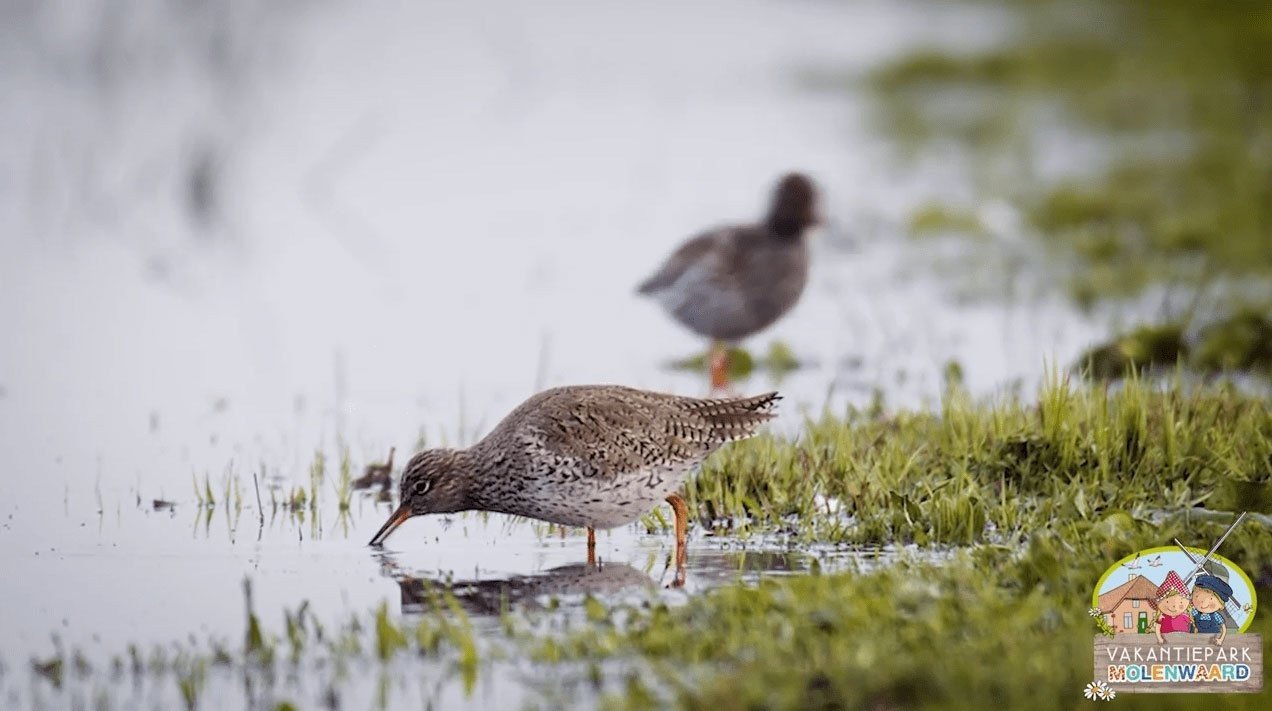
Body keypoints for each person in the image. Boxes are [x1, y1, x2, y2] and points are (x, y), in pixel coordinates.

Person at [1190, 574, 1232, 645]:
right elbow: (1190, 618)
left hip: (1212, 641)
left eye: (1211, 599)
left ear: (1220, 604)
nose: (1203, 602)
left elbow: (1223, 628)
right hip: (1197, 640)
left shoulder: (1216, 616)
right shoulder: (1195, 612)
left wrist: (1220, 639)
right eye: (1197, 596)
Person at [1152, 571, 1192, 643]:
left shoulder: (1185, 617)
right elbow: (1157, 628)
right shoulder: (1162, 617)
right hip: (1167, 641)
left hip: (1182, 642)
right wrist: (1160, 638)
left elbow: (1191, 627)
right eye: (1167, 602)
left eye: (1180, 602)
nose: (1174, 606)